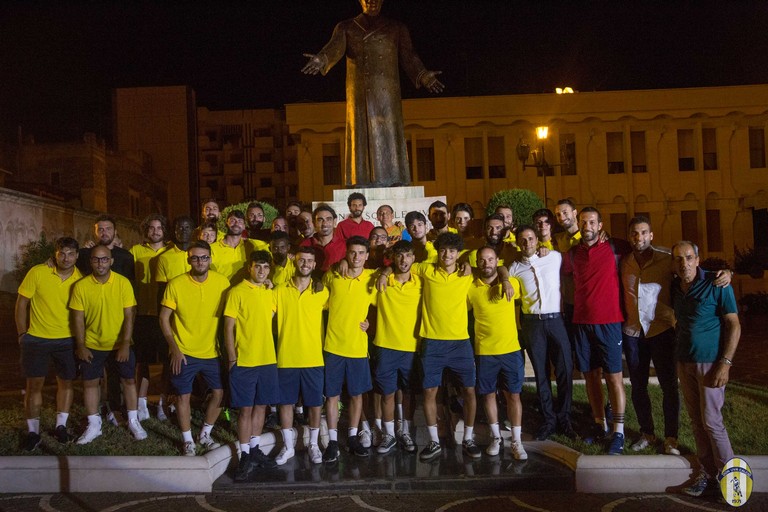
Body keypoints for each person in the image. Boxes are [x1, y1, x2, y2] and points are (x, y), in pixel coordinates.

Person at [301, 0, 444, 187]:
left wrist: (423, 75)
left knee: (389, 131)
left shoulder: (396, 27)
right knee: (360, 130)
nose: (371, 2)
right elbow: (334, 47)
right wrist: (321, 59)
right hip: (359, 91)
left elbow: (409, 55)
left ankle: (395, 178)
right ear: (360, 1)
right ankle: (360, 179)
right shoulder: (347, 27)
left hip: (387, 91)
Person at [378, 232, 479, 462]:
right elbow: (399, 266)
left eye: (452, 251)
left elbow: (495, 267)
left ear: (458, 254)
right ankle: (434, 441)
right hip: (432, 342)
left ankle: (469, 438)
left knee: (470, 391)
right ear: (438, 251)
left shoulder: (466, 275)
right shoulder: (425, 270)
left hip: (460, 343)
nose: (447, 255)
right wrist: (385, 272)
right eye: (443, 250)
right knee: (429, 392)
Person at [671, 241, 740, 497]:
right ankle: (708, 475)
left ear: (697, 259)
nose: (684, 263)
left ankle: (732, 481)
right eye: (678, 258)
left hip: (710, 362)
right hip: (684, 361)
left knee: (712, 421)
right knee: (697, 422)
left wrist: (726, 363)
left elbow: (734, 325)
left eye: (689, 257)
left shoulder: (717, 282)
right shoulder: (675, 286)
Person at [561, 207, 631, 455]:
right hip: (581, 323)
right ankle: (599, 424)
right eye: (584, 222)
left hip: (610, 323)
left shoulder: (616, 248)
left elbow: (649, 252)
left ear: (600, 225)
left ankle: (618, 431)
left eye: (592, 222)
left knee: (613, 377)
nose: (587, 226)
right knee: (590, 376)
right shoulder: (571, 254)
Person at [159, 241, 231, 456]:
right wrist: (174, 348)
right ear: (188, 260)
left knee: (220, 393)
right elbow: (163, 319)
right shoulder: (176, 284)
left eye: (204, 257)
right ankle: (188, 440)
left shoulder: (222, 282)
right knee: (183, 396)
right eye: (195, 258)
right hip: (184, 351)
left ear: (211, 258)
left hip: (212, 351)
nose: (200, 261)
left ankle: (205, 434)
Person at [69, 245, 146, 444]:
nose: (100, 263)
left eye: (104, 259)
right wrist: (81, 345)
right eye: (96, 259)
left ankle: (133, 420)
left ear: (111, 261)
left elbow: (130, 316)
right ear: (90, 261)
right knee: (90, 383)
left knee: (128, 381)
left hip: (119, 343)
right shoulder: (81, 286)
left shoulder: (123, 283)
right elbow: (77, 318)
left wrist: (125, 344)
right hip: (93, 344)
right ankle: (94, 425)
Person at [15, 237, 82, 450]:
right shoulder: (38, 272)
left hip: (67, 339)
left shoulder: (81, 279)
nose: (66, 258)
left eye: (71, 254)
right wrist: (22, 334)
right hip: (37, 338)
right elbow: (21, 304)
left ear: (77, 256)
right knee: (34, 386)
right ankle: (33, 432)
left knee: (66, 383)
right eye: (62, 253)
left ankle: (60, 426)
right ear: (55, 253)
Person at [621, 216, 680, 455]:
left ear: (651, 235)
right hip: (634, 332)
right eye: (635, 233)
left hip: (661, 330)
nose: (639, 237)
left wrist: (724, 273)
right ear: (629, 237)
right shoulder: (624, 262)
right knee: (638, 386)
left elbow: (691, 270)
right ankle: (647, 432)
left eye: (644, 232)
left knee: (669, 386)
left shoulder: (667, 259)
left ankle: (671, 437)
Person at [509, 226, 575, 440]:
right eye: (523, 240)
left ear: (537, 240)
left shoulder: (554, 257)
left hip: (556, 320)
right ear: (518, 243)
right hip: (532, 323)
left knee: (564, 369)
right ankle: (549, 420)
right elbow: (501, 274)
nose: (527, 242)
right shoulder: (514, 267)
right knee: (541, 373)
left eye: (530, 238)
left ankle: (565, 418)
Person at [223, 250, 279, 480]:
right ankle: (244, 454)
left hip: (267, 359)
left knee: (261, 407)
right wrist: (232, 358)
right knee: (245, 409)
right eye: (258, 266)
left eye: (266, 268)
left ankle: (255, 450)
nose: (262, 271)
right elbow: (228, 327)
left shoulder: (270, 293)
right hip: (244, 360)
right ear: (250, 267)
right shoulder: (236, 292)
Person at [75, 214, 135, 425]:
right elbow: (64, 259)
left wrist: (127, 338)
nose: (104, 233)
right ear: (95, 231)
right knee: (93, 377)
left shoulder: (125, 257)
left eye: (108, 229)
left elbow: (130, 299)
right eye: (100, 229)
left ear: (115, 231)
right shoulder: (83, 254)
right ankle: (97, 413)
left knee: (120, 374)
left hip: (118, 323)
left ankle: (117, 409)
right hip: (93, 323)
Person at [468, 246, 526, 459]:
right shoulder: (471, 288)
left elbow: (505, 271)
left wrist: (506, 278)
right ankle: (495, 437)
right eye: (482, 260)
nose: (486, 264)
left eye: (490, 259)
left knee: (513, 395)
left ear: (497, 261)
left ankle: (517, 442)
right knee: (488, 394)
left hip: (511, 349)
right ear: (477, 263)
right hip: (485, 351)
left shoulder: (511, 284)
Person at [272, 247, 330, 465]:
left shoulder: (322, 292)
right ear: (295, 262)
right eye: (301, 260)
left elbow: (342, 310)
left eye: (309, 260)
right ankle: (288, 447)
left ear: (315, 265)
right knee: (285, 403)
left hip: (314, 357)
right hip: (286, 357)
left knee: (315, 404)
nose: (305, 263)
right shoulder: (278, 290)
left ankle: (313, 445)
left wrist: (365, 322)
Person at [322, 236, 376, 458]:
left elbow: (386, 305)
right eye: (352, 252)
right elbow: (319, 297)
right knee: (332, 396)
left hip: (357, 348)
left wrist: (371, 323)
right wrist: (336, 265)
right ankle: (333, 441)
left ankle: (353, 437)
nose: (356, 257)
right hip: (333, 346)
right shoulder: (333, 275)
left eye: (361, 253)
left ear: (367, 255)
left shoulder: (373, 278)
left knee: (356, 395)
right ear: (346, 253)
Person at [372, 240, 421, 454]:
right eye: (399, 256)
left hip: (412, 346)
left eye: (408, 255)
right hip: (385, 345)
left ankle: (406, 431)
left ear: (413, 258)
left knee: (408, 392)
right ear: (393, 258)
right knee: (387, 393)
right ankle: (389, 435)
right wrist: (384, 272)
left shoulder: (421, 281)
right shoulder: (380, 280)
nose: (404, 260)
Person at [129, 214, 170, 422]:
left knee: (166, 362)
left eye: (159, 228)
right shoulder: (135, 251)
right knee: (142, 362)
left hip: (164, 314)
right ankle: (142, 402)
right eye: (151, 228)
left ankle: (163, 402)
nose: (155, 231)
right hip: (143, 313)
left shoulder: (171, 251)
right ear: (146, 231)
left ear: (164, 230)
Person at [211, 210, 267, 283]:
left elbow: (271, 246)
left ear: (244, 226)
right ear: (226, 223)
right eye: (232, 220)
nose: (236, 223)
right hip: (220, 292)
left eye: (240, 221)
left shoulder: (252, 245)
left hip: (244, 292)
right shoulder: (212, 248)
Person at [300, 204, 347, 272]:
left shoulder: (344, 245)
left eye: (328, 219)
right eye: (320, 220)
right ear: (314, 223)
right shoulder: (305, 244)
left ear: (335, 222)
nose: (325, 224)